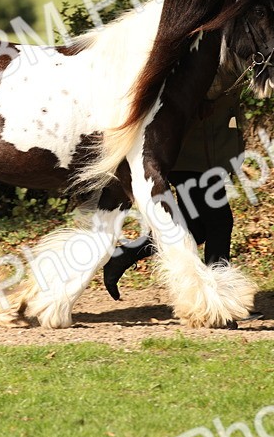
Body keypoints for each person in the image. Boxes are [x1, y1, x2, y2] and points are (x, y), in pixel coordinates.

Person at [102, 96, 245, 300]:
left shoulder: (230, 67)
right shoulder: (208, 66)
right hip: (192, 158)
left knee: (194, 229)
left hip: (204, 157)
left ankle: (123, 256)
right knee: (219, 223)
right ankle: (220, 298)